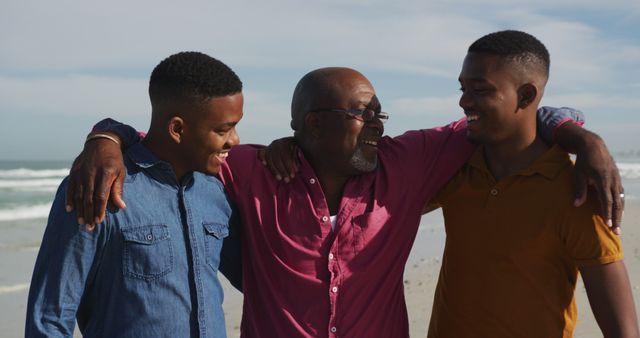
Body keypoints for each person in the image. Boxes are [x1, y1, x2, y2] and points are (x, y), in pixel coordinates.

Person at [67, 68, 622, 337]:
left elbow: (508, 117)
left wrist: (580, 135)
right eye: (365, 114)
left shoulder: (410, 161)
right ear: (313, 124)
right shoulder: (251, 169)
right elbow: (171, 143)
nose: (380, 125)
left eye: (382, 112)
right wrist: (106, 137)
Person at [425, 30, 639, 337]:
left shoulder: (577, 192)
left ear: (526, 95)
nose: (464, 101)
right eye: (463, 88)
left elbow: (623, 331)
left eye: (480, 90)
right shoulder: (457, 169)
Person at [26, 52, 244, 337]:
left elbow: (253, 279)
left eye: (236, 125)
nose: (234, 140)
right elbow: (50, 318)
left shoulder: (215, 193)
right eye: (222, 130)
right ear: (177, 129)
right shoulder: (98, 186)